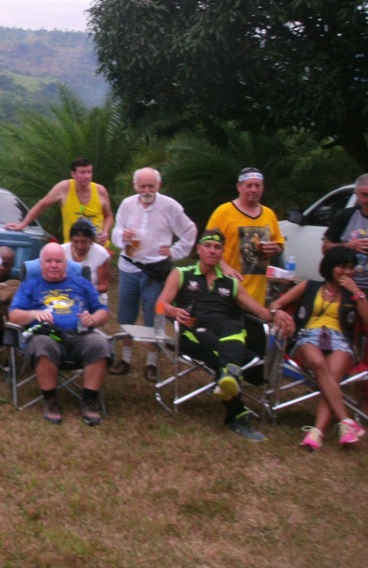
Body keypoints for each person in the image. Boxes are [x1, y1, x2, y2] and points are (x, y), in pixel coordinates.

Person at [156, 229, 294, 441]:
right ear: (199, 249)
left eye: (217, 247)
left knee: (233, 325)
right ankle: (237, 412)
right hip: (193, 331)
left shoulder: (231, 282)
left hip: (224, 333)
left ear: (222, 253)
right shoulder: (181, 273)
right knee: (237, 353)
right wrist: (173, 311)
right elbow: (159, 305)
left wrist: (276, 313)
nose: (212, 251)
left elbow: (261, 312)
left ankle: (228, 378)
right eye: (208, 246)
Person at [269, 247, 367, 449]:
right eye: (343, 267)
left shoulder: (354, 295)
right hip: (308, 337)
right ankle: (346, 421)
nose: (347, 272)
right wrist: (277, 313)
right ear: (330, 266)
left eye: (351, 268)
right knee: (319, 363)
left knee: (330, 376)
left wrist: (357, 293)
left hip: (341, 341)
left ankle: (316, 432)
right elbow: (275, 304)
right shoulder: (310, 286)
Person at [8, 242, 112, 426]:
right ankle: (51, 401)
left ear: (66, 263)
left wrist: (93, 319)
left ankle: (89, 401)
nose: (53, 265)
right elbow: (13, 315)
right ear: (41, 264)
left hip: (81, 336)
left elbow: (103, 311)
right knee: (42, 345)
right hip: (48, 336)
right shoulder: (30, 285)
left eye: (58, 261)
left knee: (100, 344)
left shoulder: (81, 283)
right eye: (48, 261)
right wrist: (33, 314)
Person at [110, 168, 197, 380]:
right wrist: (122, 235)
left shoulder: (170, 206)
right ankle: (125, 358)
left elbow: (190, 230)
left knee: (154, 316)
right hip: (129, 266)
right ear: (135, 186)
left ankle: (151, 363)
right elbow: (116, 231)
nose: (147, 190)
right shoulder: (127, 204)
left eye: (151, 186)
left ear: (158, 185)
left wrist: (175, 251)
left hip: (155, 270)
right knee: (126, 315)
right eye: (142, 186)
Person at [206, 167, 285, 306]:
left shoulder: (269, 214)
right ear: (239, 187)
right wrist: (224, 267)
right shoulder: (223, 212)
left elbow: (279, 244)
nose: (253, 190)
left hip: (257, 293)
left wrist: (275, 249)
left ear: (262, 188)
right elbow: (206, 247)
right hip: (227, 288)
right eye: (249, 185)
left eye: (257, 186)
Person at [5, 157, 113, 245]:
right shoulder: (64, 188)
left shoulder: (100, 190)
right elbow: (42, 204)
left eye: (89, 172)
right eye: (82, 172)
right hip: (72, 247)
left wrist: (105, 232)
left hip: (98, 247)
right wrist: (23, 224)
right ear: (73, 174)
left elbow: (108, 215)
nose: (87, 176)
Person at [322, 173, 368, 292]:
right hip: (345, 285)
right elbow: (325, 248)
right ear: (356, 195)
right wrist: (348, 246)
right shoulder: (346, 216)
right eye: (365, 195)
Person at [61, 220, 110, 298]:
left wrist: (84, 291)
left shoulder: (101, 254)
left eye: (83, 242)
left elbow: (104, 286)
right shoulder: (61, 251)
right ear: (71, 240)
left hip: (93, 296)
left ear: (90, 240)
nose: (79, 246)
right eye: (76, 241)